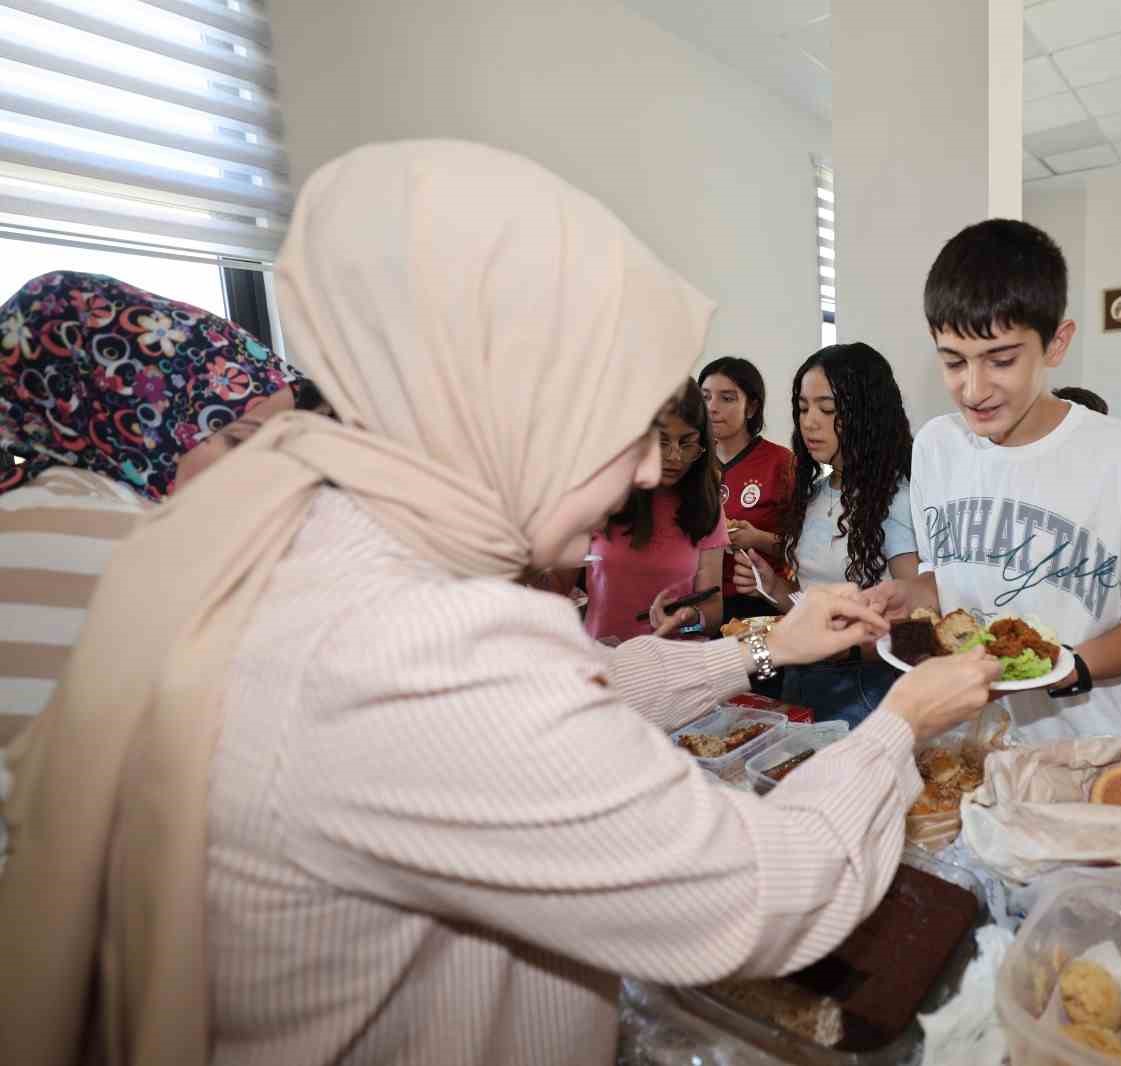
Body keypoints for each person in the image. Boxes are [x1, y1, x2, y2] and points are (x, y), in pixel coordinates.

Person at [0, 142, 1002, 1066]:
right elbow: (763, 891)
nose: (656, 463)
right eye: (625, 422)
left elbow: (587, 688)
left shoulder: (333, 536)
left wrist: (759, 651)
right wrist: (897, 731)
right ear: (514, 403)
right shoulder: (413, 644)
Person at [870, 219, 1121, 741]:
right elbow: (944, 578)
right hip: (964, 736)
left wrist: (1060, 669)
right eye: (953, 362)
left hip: (1083, 740)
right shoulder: (935, 446)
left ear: (1056, 344)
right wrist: (912, 597)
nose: (973, 390)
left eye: (1001, 360)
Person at [0, 271, 300, 741]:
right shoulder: (134, 547)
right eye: (240, 441)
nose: (275, 468)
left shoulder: (30, 513)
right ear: (140, 425)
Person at [733, 343, 918, 726]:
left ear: (866, 414)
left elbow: (917, 621)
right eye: (803, 408)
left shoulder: (896, 500)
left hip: (866, 689)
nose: (810, 422)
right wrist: (773, 588)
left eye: (828, 409)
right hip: (802, 677)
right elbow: (808, 606)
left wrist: (847, 650)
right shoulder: (815, 494)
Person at [584, 378, 728, 641]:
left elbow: (714, 612)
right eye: (662, 442)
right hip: (602, 662)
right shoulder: (602, 494)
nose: (675, 456)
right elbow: (556, 589)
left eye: (687, 444)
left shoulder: (705, 504)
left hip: (676, 666)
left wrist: (688, 621)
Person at [699, 356, 793, 623]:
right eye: (705, 397)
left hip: (759, 604)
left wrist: (757, 538)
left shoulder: (780, 462)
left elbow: (805, 550)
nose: (712, 408)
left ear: (751, 408)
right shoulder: (689, 462)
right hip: (697, 605)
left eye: (727, 398)